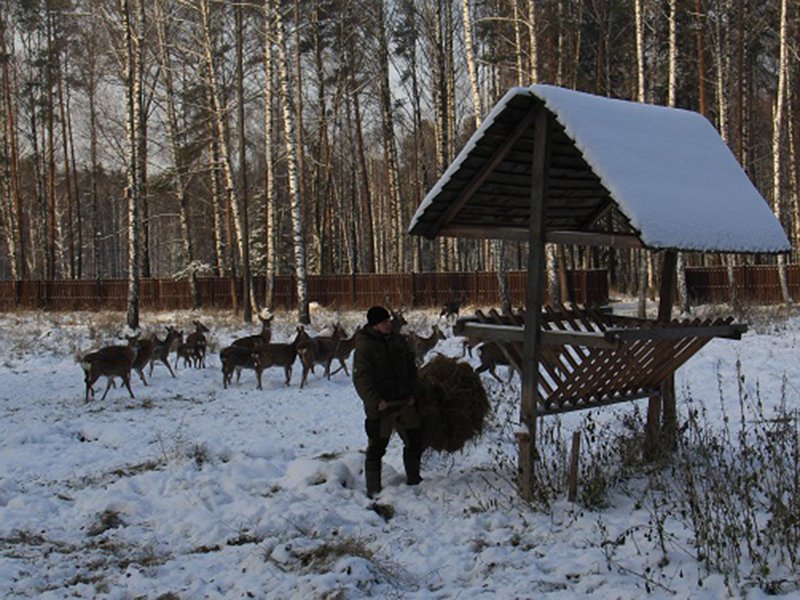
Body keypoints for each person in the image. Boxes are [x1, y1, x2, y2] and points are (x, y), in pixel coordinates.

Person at [353, 305, 424, 498]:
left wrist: (412, 393)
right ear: (375, 325)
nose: (388, 325)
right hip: (381, 406)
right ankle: (373, 489)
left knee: (415, 439)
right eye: (384, 322)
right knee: (377, 446)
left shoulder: (397, 341)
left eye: (388, 321)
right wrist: (376, 401)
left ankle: (414, 479)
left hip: (403, 402)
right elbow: (361, 378)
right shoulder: (365, 345)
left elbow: (410, 369)